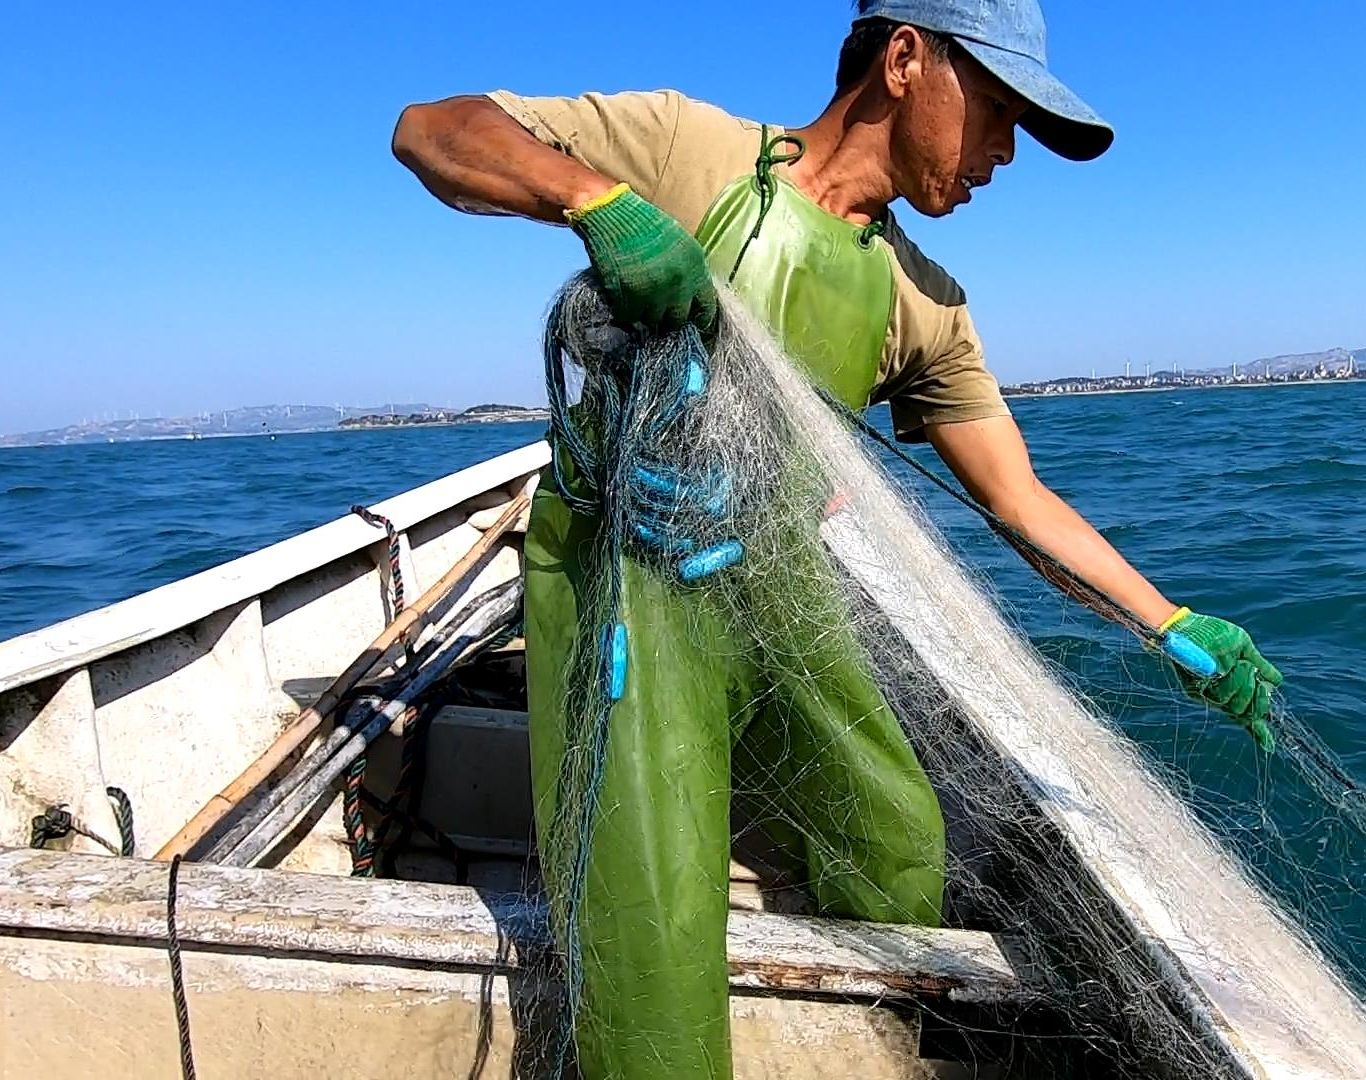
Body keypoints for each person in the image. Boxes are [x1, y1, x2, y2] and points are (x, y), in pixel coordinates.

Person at [394, 2, 1283, 1076]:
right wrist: (600, 202)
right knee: (653, 939)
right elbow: (434, 130)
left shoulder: (926, 303)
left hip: (779, 588)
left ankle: (863, 1037)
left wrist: (1171, 623)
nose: (1004, 156)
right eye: (999, 114)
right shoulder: (691, 148)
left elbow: (1021, 499)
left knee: (897, 841)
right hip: (633, 589)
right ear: (907, 58)